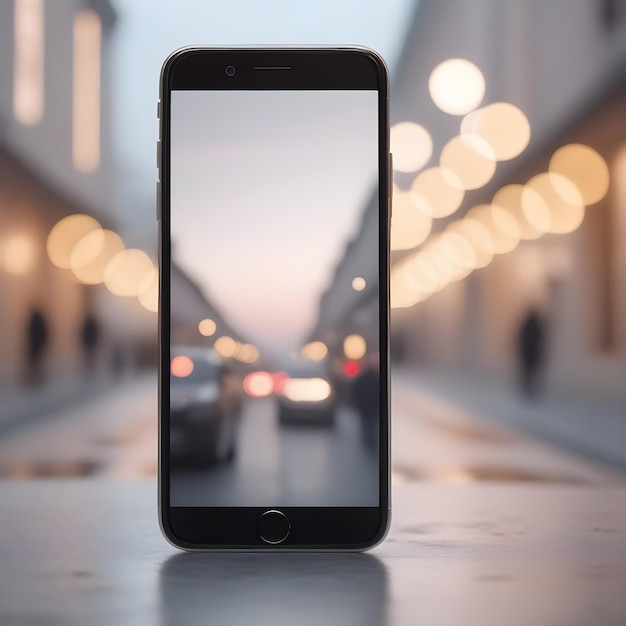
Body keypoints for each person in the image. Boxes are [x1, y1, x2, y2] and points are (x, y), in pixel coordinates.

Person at [351, 353, 380, 450]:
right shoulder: (375, 378)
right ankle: (371, 441)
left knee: (367, 424)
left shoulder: (363, 377)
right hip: (372, 406)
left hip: (365, 406)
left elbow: (355, 389)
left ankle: (367, 440)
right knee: (371, 424)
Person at [517, 309, 546, 398]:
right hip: (532, 353)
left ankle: (528, 387)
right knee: (531, 371)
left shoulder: (527, 326)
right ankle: (529, 387)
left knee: (528, 372)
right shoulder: (536, 326)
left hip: (529, 353)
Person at [25, 307, 48, 385]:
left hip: (36, 344)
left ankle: (36, 378)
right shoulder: (38, 320)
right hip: (36, 343)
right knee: (35, 361)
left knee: (35, 362)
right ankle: (35, 377)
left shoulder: (36, 320)